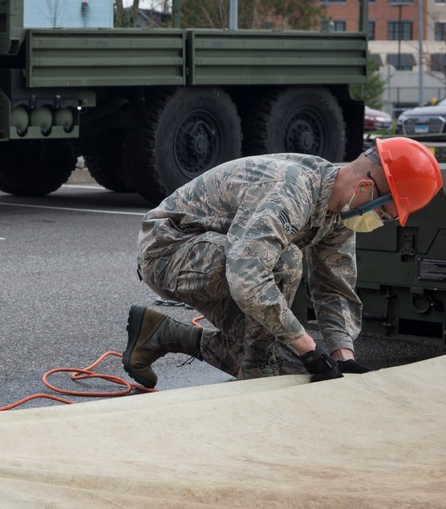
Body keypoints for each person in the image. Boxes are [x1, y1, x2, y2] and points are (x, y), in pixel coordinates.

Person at [124, 137, 443, 388]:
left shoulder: (340, 210)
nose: (379, 222)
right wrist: (307, 345)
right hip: (168, 251)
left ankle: (158, 334)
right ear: (365, 188)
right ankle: (254, 373)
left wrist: (341, 354)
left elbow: (334, 287)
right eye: (383, 214)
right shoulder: (291, 190)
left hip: (220, 260)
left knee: (291, 369)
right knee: (282, 272)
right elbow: (248, 278)